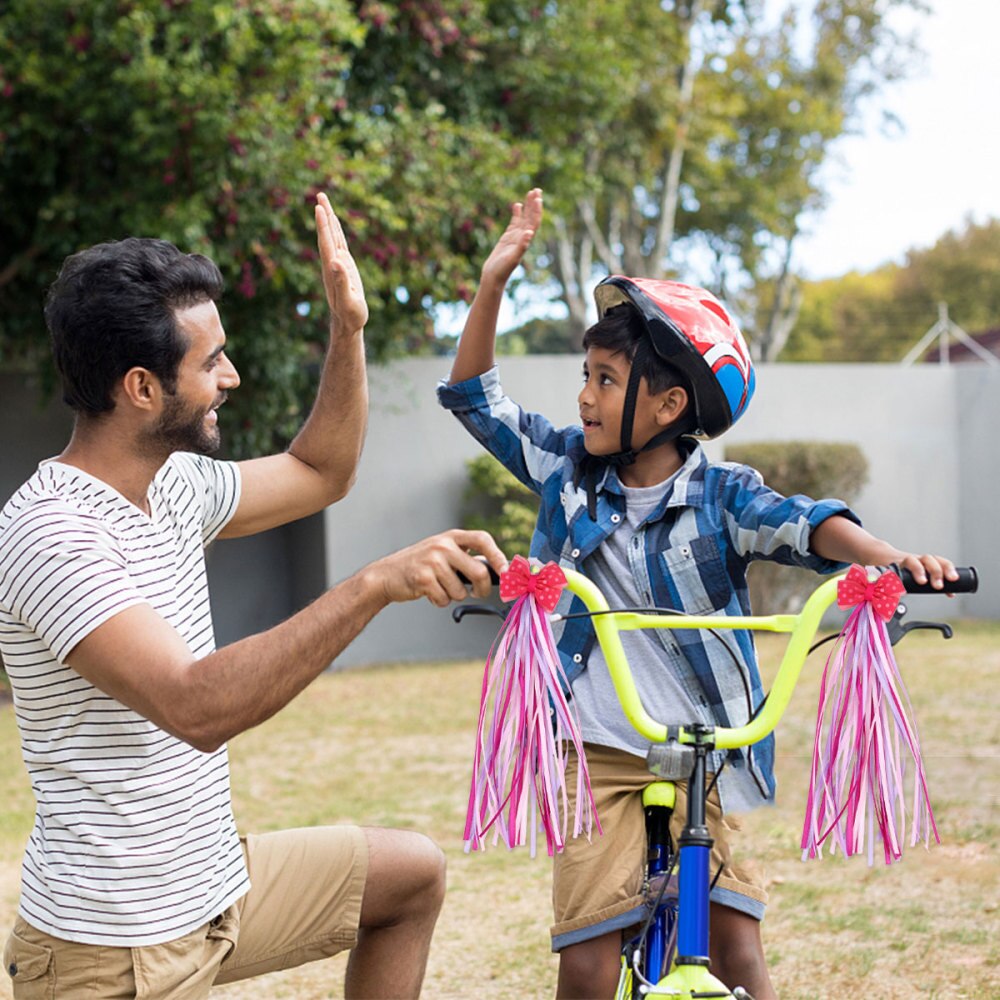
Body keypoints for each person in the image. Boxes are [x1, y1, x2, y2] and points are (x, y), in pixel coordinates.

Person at [437, 188, 958, 999]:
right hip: (600, 744)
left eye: (605, 380)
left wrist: (884, 558)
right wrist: (495, 282)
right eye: (587, 376)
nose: (583, 397)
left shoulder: (723, 496)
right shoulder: (569, 471)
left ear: (670, 404)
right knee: (585, 960)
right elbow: (478, 401)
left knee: (737, 952)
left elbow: (805, 523)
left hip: (708, 752)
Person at [0, 193, 506, 1000]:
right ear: (139, 387)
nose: (229, 378)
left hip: (213, 890)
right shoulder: (53, 537)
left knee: (410, 877)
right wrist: (373, 584)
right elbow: (196, 707)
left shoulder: (174, 486)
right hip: (115, 950)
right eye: (210, 364)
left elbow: (321, 471)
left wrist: (349, 330)